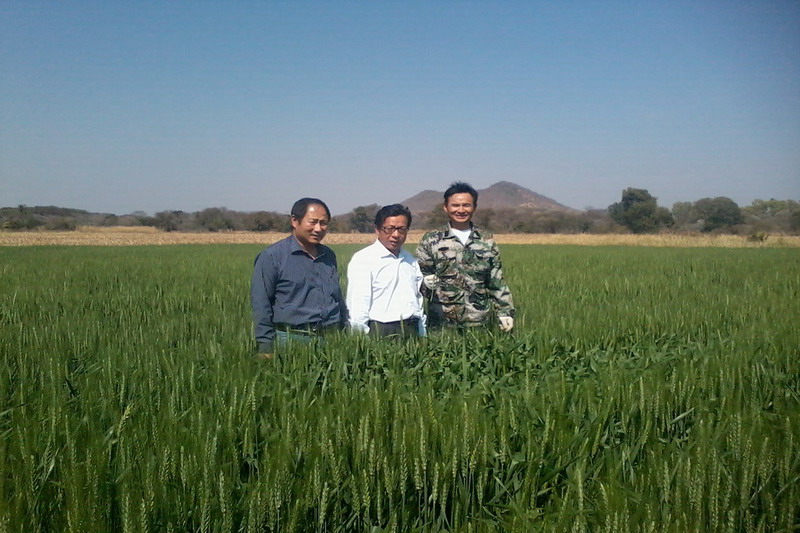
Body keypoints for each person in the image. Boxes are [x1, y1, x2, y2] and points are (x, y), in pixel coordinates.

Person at [251, 198, 346, 358]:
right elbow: (261, 303)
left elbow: (337, 297)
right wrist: (265, 346)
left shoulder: (328, 255)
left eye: (323, 223)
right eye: (313, 222)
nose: (318, 228)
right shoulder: (272, 257)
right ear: (295, 221)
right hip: (291, 339)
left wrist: (344, 330)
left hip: (330, 339)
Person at [415, 182, 515, 331]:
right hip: (441, 325)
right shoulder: (432, 239)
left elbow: (496, 281)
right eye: (455, 205)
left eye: (466, 205)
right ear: (445, 207)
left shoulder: (486, 240)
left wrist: (505, 312)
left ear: (474, 207)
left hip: (479, 323)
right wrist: (424, 283)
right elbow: (417, 277)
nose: (461, 210)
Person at [346, 204, 426, 339]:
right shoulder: (364, 259)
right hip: (380, 330)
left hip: (411, 329)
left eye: (401, 229)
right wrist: (360, 339)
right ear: (377, 230)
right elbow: (358, 303)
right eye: (389, 229)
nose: (396, 235)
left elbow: (418, 300)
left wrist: (422, 333)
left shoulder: (410, 260)